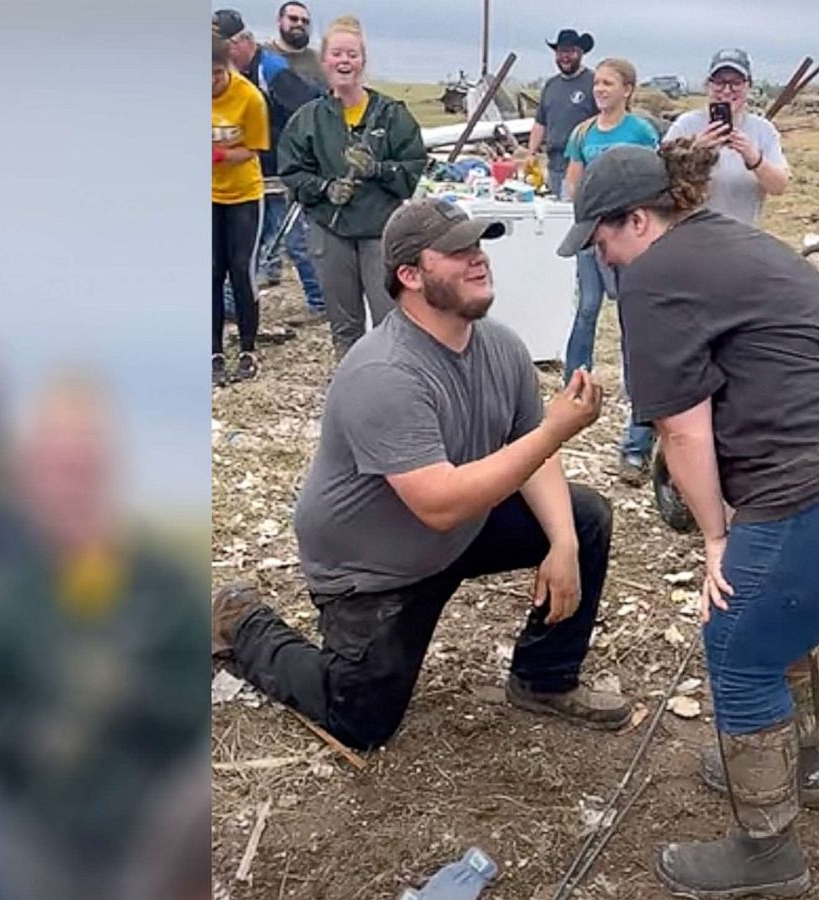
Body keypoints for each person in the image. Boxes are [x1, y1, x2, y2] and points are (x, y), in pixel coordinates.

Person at [557, 143, 819, 897]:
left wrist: (717, 535)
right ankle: (798, 764)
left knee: (738, 639)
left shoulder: (656, 276)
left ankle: (767, 852)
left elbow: (681, 428)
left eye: (601, 239)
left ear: (637, 220)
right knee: (781, 616)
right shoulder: (739, 242)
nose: (601, 257)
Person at [212, 198, 632, 752]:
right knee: (359, 722)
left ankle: (544, 679)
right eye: (457, 252)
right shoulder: (384, 371)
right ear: (409, 275)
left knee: (584, 517)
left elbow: (531, 452)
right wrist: (556, 430)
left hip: (456, 532)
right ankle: (241, 621)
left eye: (478, 247)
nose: (478, 260)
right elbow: (439, 504)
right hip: (375, 566)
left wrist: (562, 544)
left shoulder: (502, 347)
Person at [0, 376, 208, 899]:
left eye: (83, 469)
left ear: (109, 472)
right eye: (55, 471)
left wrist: (131, 698)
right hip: (30, 830)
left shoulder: (164, 590)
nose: (69, 487)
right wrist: (32, 733)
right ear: (28, 478)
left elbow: (195, 708)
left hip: (146, 830)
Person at [278, 15, 428, 358]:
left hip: (380, 231)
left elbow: (413, 169)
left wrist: (378, 169)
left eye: (352, 55)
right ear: (325, 60)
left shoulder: (391, 115)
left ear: (362, 61)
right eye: (337, 54)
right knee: (344, 325)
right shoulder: (309, 119)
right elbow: (293, 171)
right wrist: (324, 188)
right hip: (331, 232)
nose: (345, 61)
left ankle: (394, 384)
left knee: (391, 318)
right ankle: (351, 388)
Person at [561, 58, 662, 481]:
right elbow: (572, 180)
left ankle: (636, 431)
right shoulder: (583, 132)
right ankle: (573, 384)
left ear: (628, 90)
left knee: (632, 319)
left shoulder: (641, 132)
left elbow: (653, 181)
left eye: (608, 83)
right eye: (597, 82)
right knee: (587, 308)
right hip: (591, 234)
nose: (599, 89)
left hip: (628, 237)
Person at [217, 9, 326, 319]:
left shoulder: (273, 71)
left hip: (284, 171)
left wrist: (307, 163)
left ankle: (320, 303)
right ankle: (232, 304)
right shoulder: (234, 75)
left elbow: (309, 114)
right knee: (252, 238)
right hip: (256, 171)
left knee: (294, 238)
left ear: (238, 43)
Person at [661, 48, 790, 226]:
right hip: (691, 234)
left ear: (748, 86)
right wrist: (694, 152)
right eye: (719, 82)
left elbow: (779, 187)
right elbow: (660, 177)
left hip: (742, 234)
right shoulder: (686, 125)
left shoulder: (763, 130)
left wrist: (754, 159)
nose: (727, 91)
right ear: (707, 85)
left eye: (736, 83)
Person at [212, 30, 270, 385]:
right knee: (210, 272)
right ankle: (213, 351)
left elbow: (252, 149)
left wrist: (219, 154)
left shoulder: (250, 99)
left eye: (217, 75)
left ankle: (248, 348)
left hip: (244, 194)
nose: (211, 84)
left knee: (240, 269)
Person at [523, 29, 598, 198]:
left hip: (583, 165)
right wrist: (531, 153)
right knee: (555, 212)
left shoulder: (594, 82)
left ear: (580, 53)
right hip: (554, 165)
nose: (565, 56)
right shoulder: (551, 85)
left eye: (570, 51)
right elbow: (540, 123)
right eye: (561, 51)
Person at [267, 1, 324, 87]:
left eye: (305, 21)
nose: (300, 24)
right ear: (279, 20)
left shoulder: (320, 62)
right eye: (293, 19)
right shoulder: (262, 56)